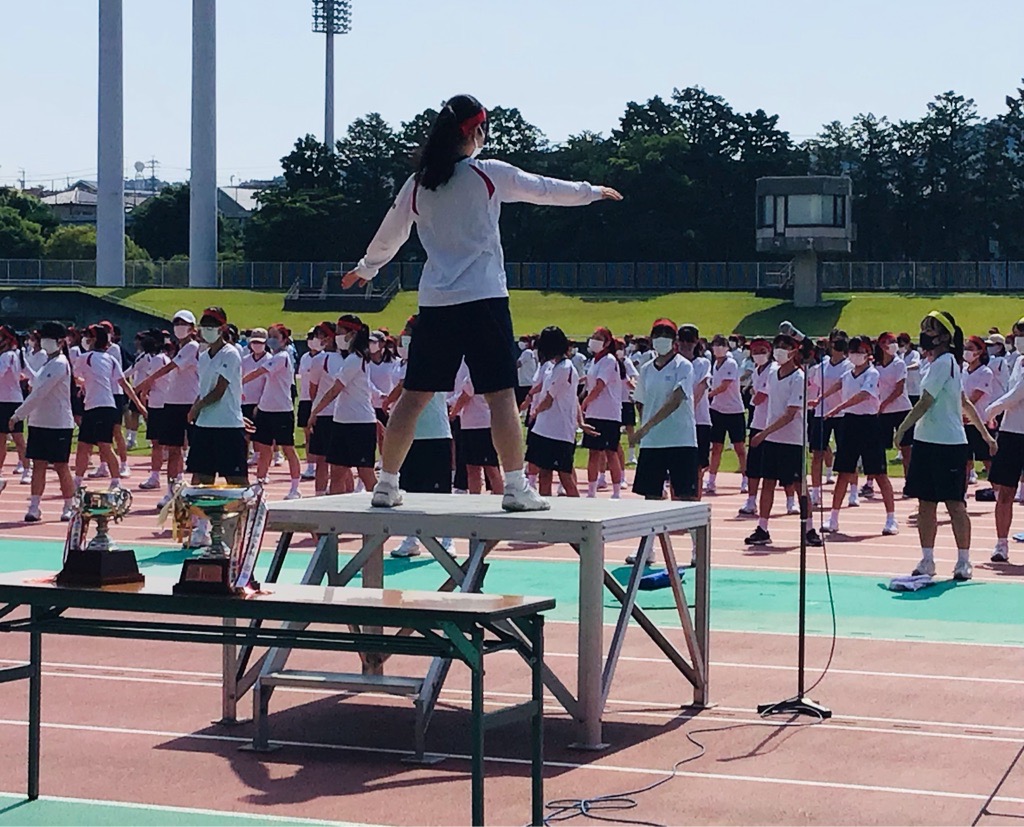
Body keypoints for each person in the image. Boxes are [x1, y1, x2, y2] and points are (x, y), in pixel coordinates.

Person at [340, 94, 622, 512]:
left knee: (414, 396)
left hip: (436, 303)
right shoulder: (487, 174)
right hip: (484, 299)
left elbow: (390, 232)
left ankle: (386, 483)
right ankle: (513, 487)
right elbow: (543, 189)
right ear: (474, 132)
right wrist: (593, 192)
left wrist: (366, 268)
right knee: (500, 396)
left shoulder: (419, 183)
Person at [894, 311, 997, 581]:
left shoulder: (946, 362)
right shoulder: (941, 363)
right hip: (927, 442)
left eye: (929, 330)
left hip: (949, 444)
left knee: (955, 504)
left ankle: (963, 561)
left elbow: (926, 400)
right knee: (926, 504)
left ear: (943, 336)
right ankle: (927, 560)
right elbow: (963, 400)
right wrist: (985, 435)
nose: (924, 335)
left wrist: (903, 427)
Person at [390, 316, 455, 558]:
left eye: (408, 332)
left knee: (439, 494)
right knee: (411, 491)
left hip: (435, 433)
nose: (403, 337)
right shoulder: (406, 362)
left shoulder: (436, 359)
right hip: (411, 435)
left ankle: (448, 539)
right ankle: (412, 538)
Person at [747, 335, 819, 547]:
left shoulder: (798, 378)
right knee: (767, 482)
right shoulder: (772, 373)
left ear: (794, 351)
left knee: (799, 485)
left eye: (785, 347)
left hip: (791, 440)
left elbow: (790, 414)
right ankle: (762, 528)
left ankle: (809, 528)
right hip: (772, 439)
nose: (780, 350)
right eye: (778, 346)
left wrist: (763, 433)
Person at [185, 308, 249, 548]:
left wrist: (196, 407)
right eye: (204, 324)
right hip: (205, 425)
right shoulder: (203, 357)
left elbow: (220, 390)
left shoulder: (231, 353)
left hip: (227, 425)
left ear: (222, 328)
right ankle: (201, 529)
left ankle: (240, 527)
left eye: (213, 325)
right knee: (202, 478)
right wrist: (195, 408)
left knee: (236, 479)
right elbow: (204, 389)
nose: (207, 329)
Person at [822, 336, 898, 536]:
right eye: (853, 351)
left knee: (879, 473)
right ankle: (834, 517)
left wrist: (838, 406)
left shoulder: (872, 374)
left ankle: (891, 518)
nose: (856, 355)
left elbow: (864, 395)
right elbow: (838, 384)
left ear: (868, 355)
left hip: (869, 424)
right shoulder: (848, 374)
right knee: (844, 472)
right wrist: (820, 398)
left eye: (860, 351)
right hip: (850, 424)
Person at [7, 322, 76, 522]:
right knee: (38, 464)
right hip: (39, 421)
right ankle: (35, 506)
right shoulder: (46, 362)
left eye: (48, 338)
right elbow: (35, 383)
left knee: (61, 465)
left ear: (61, 341)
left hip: (59, 423)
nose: (43, 342)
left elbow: (39, 393)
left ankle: (69, 505)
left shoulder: (60, 363)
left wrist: (18, 414)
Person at [133, 309, 199, 507]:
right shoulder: (179, 348)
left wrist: (147, 382)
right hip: (173, 402)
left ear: (192, 328)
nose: (179, 327)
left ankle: (193, 492)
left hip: (189, 402)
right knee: (173, 450)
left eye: (184, 324)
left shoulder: (192, 346)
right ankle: (172, 490)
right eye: (177, 323)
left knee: (193, 450)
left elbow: (171, 367)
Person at [629, 318, 697, 505]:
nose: (662, 339)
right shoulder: (646, 369)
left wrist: (645, 428)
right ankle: (654, 535)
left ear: (675, 340)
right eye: (658, 334)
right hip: (653, 442)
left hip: (680, 439)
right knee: (651, 497)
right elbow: (641, 401)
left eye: (667, 335)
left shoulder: (683, 366)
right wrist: (644, 426)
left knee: (685, 496)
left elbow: (675, 400)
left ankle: (692, 533)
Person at [72, 323, 146, 491]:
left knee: (103, 444)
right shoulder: (109, 359)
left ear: (94, 339)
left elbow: (76, 377)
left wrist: (83, 383)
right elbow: (124, 384)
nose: (85, 339)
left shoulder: (86, 357)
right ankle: (77, 480)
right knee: (84, 445)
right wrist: (139, 404)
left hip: (100, 405)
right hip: (99, 405)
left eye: (88, 336)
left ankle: (115, 481)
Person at [312, 315, 379, 496]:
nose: (337, 337)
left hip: (359, 423)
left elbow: (335, 390)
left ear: (352, 334)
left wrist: (315, 412)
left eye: (341, 333)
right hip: (342, 421)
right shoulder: (352, 358)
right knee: (337, 473)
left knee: (365, 473)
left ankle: (383, 506)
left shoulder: (355, 359)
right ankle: (336, 515)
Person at [243, 324, 302, 498]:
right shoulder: (275, 356)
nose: (271, 340)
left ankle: (294, 488)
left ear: (284, 339)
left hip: (282, 410)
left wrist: (237, 383)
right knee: (264, 449)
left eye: (275, 336)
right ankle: (259, 484)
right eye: (270, 336)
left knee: (288, 449)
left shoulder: (282, 357)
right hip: (265, 409)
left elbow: (259, 372)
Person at [983, 317, 1024, 563]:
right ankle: (1001, 544)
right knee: (1005, 492)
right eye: (1018, 333)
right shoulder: (1018, 361)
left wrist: (992, 409)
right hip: (1011, 433)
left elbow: (1019, 393)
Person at [525, 325, 581, 499]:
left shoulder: (565, 368)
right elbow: (543, 387)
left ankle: (580, 512)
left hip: (559, 430)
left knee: (565, 476)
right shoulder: (551, 366)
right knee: (544, 473)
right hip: (544, 429)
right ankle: (546, 509)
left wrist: (535, 411)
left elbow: (549, 400)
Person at [581, 327, 625, 498]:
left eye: (599, 338)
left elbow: (600, 385)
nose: (594, 340)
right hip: (594, 412)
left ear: (607, 342)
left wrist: (585, 402)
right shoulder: (594, 361)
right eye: (593, 337)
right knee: (593, 452)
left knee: (610, 452)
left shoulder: (609, 360)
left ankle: (616, 492)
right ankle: (591, 491)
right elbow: (591, 384)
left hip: (608, 413)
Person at [706, 334, 748, 494]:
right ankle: (711, 480)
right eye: (715, 345)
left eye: (721, 345)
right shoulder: (714, 364)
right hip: (718, 410)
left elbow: (725, 385)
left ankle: (745, 479)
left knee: (739, 447)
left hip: (734, 410)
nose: (717, 348)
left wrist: (708, 395)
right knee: (716, 447)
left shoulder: (731, 363)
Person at [306, 322, 342, 497]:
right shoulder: (349, 358)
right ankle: (340, 494)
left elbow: (313, 388)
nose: (318, 339)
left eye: (320, 335)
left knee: (323, 460)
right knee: (341, 462)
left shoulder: (321, 359)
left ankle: (321, 495)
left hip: (326, 414)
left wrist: (316, 407)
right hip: (340, 414)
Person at [739, 338, 773, 516]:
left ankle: (792, 501)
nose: (759, 354)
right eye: (755, 351)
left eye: (762, 350)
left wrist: (753, 396)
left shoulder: (772, 370)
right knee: (753, 465)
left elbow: (760, 397)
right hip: (757, 422)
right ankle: (751, 501)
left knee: (776, 467)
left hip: (772, 424)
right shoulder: (756, 372)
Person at [677, 324, 712, 498]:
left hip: (699, 421)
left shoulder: (702, 363)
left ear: (696, 341)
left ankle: (695, 502)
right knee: (677, 466)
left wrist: (687, 409)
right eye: (682, 340)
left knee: (697, 467)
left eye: (689, 340)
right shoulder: (674, 364)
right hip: (677, 422)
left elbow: (700, 388)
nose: (685, 344)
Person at [961, 335, 995, 487]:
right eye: (966, 348)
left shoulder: (985, 372)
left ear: (980, 352)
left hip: (979, 421)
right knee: (965, 461)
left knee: (987, 459)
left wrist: (965, 411)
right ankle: (961, 497)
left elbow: (975, 397)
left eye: (971, 349)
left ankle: (997, 492)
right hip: (963, 423)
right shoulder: (963, 371)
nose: (967, 352)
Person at [0, 325, 29, 486]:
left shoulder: (9, 355)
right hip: (3, 400)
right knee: (1, 439)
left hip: (12, 401)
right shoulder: (10, 355)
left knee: (18, 438)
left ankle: (26, 468)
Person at [240, 327, 269, 467]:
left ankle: (259, 458)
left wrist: (262, 402)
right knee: (245, 432)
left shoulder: (270, 360)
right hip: (246, 400)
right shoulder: (245, 360)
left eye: (260, 342)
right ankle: (244, 457)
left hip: (261, 400)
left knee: (261, 434)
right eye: (254, 342)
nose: (257, 345)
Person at [896, 332, 922, 481]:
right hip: (905, 392)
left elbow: (916, 365)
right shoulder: (899, 357)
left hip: (915, 391)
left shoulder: (913, 354)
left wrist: (904, 367)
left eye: (903, 344)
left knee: (914, 420)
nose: (901, 347)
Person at [298, 327, 318, 479]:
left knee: (321, 435)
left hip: (318, 400)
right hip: (305, 399)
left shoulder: (325, 357)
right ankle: (311, 466)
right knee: (307, 434)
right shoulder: (305, 357)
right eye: (310, 337)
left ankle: (322, 465)